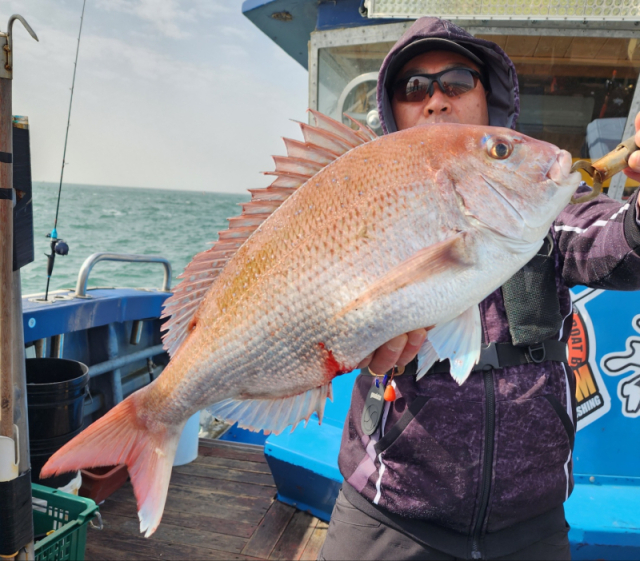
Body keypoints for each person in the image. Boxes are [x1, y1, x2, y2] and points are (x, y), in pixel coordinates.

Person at [318, 17, 640, 561]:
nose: (436, 101)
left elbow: (619, 243)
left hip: (530, 524)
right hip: (388, 511)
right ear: (392, 111)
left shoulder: (545, 214)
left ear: (488, 101)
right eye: (413, 88)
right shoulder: (357, 214)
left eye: (457, 81)